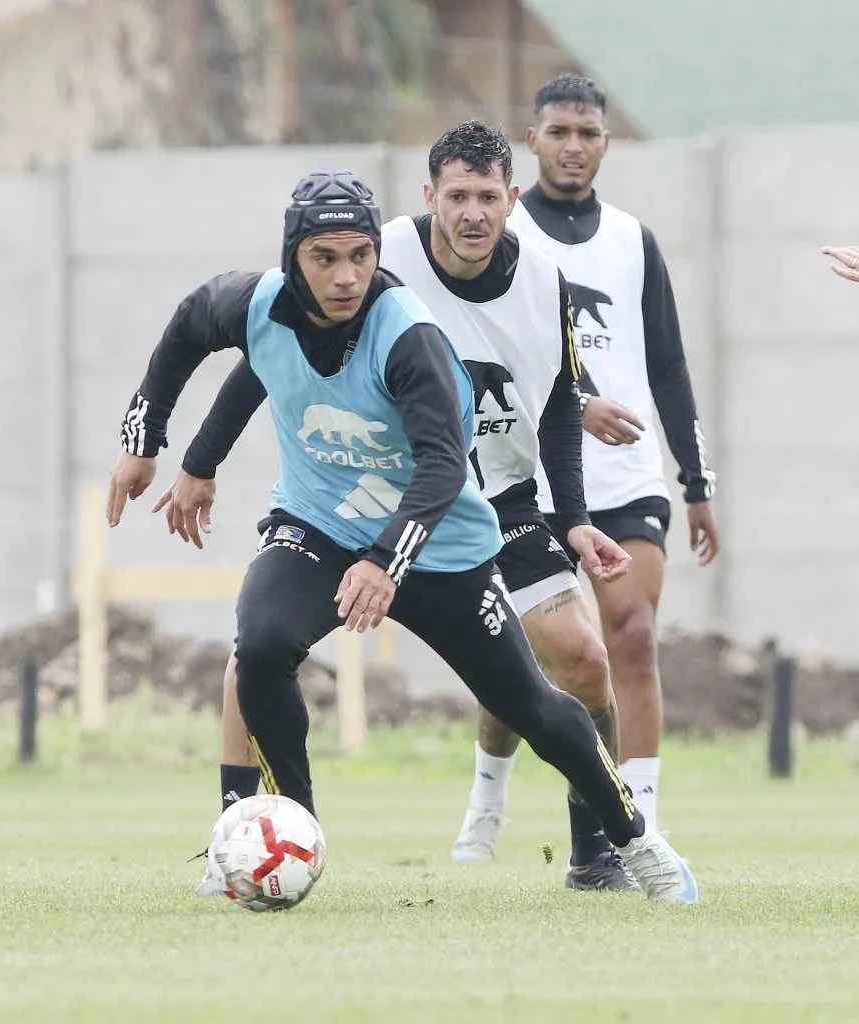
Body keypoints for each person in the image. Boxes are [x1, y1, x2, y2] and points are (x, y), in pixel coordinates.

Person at [105, 168, 699, 903]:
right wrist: (147, 442)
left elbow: (445, 467)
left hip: (441, 545)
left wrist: (386, 562)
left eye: (360, 255)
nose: (347, 275)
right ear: (293, 257)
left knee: (532, 708)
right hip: (317, 526)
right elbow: (188, 329)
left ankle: (634, 841)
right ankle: (292, 832)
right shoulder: (254, 302)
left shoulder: (408, 335)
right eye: (325, 258)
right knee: (258, 646)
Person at [499, 74, 720, 829]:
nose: (572, 146)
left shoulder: (633, 240)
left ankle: (640, 821)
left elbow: (668, 366)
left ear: (605, 143)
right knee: (534, 660)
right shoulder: (500, 234)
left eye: (586, 133)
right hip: (528, 478)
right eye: (557, 132)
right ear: (531, 139)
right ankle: (485, 801)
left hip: (626, 477)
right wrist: (575, 401)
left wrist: (696, 483)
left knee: (628, 635)